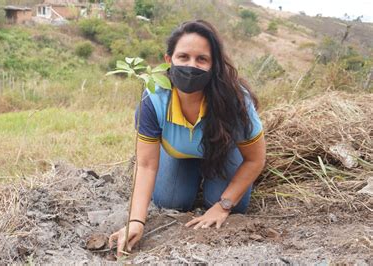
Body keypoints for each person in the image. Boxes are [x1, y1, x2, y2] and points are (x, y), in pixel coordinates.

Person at [109, 20, 266, 256]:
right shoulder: (153, 99)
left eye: (201, 59)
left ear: (214, 66)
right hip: (178, 154)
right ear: (168, 60)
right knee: (170, 201)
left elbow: (255, 159)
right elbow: (146, 164)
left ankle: (214, 184)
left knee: (234, 207)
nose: (191, 66)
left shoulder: (235, 101)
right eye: (183, 57)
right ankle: (189, 171)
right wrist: (136, 221)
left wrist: (223, 206)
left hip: (222, 153)